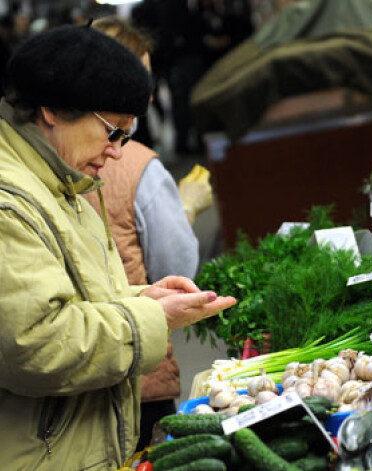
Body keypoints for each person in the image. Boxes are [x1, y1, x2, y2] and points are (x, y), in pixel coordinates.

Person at [0, 24, 236, 470]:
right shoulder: (9, 204)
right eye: (113, 131)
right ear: (51, 110)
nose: (116, 152)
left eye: (127, 136)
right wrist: (153, 317)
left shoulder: (62, 181)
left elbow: (73, 300)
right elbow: (35, 343)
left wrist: (141, 296)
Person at [85, 16, 212, 451]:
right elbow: (178, 271)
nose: (149, 93)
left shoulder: (49, 168)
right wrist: (188, 206)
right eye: (139, 77)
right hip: (137, 372)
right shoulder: (136, 162)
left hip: (79, 390)